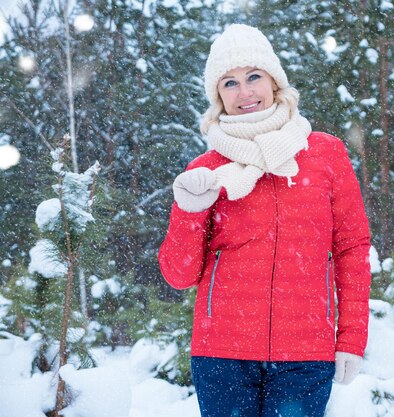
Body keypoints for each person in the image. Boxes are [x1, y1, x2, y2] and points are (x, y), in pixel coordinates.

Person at [158, 24, 371, 417]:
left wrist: (352, 338)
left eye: (253, 76)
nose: (245, 92)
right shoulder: (205, 171)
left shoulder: (325, 154)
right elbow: (179, 275)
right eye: (230, 83)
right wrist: (188, 208)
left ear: (274, 80)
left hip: (305, 352)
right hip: (222, 355)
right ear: (217, 95)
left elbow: (351, 249)